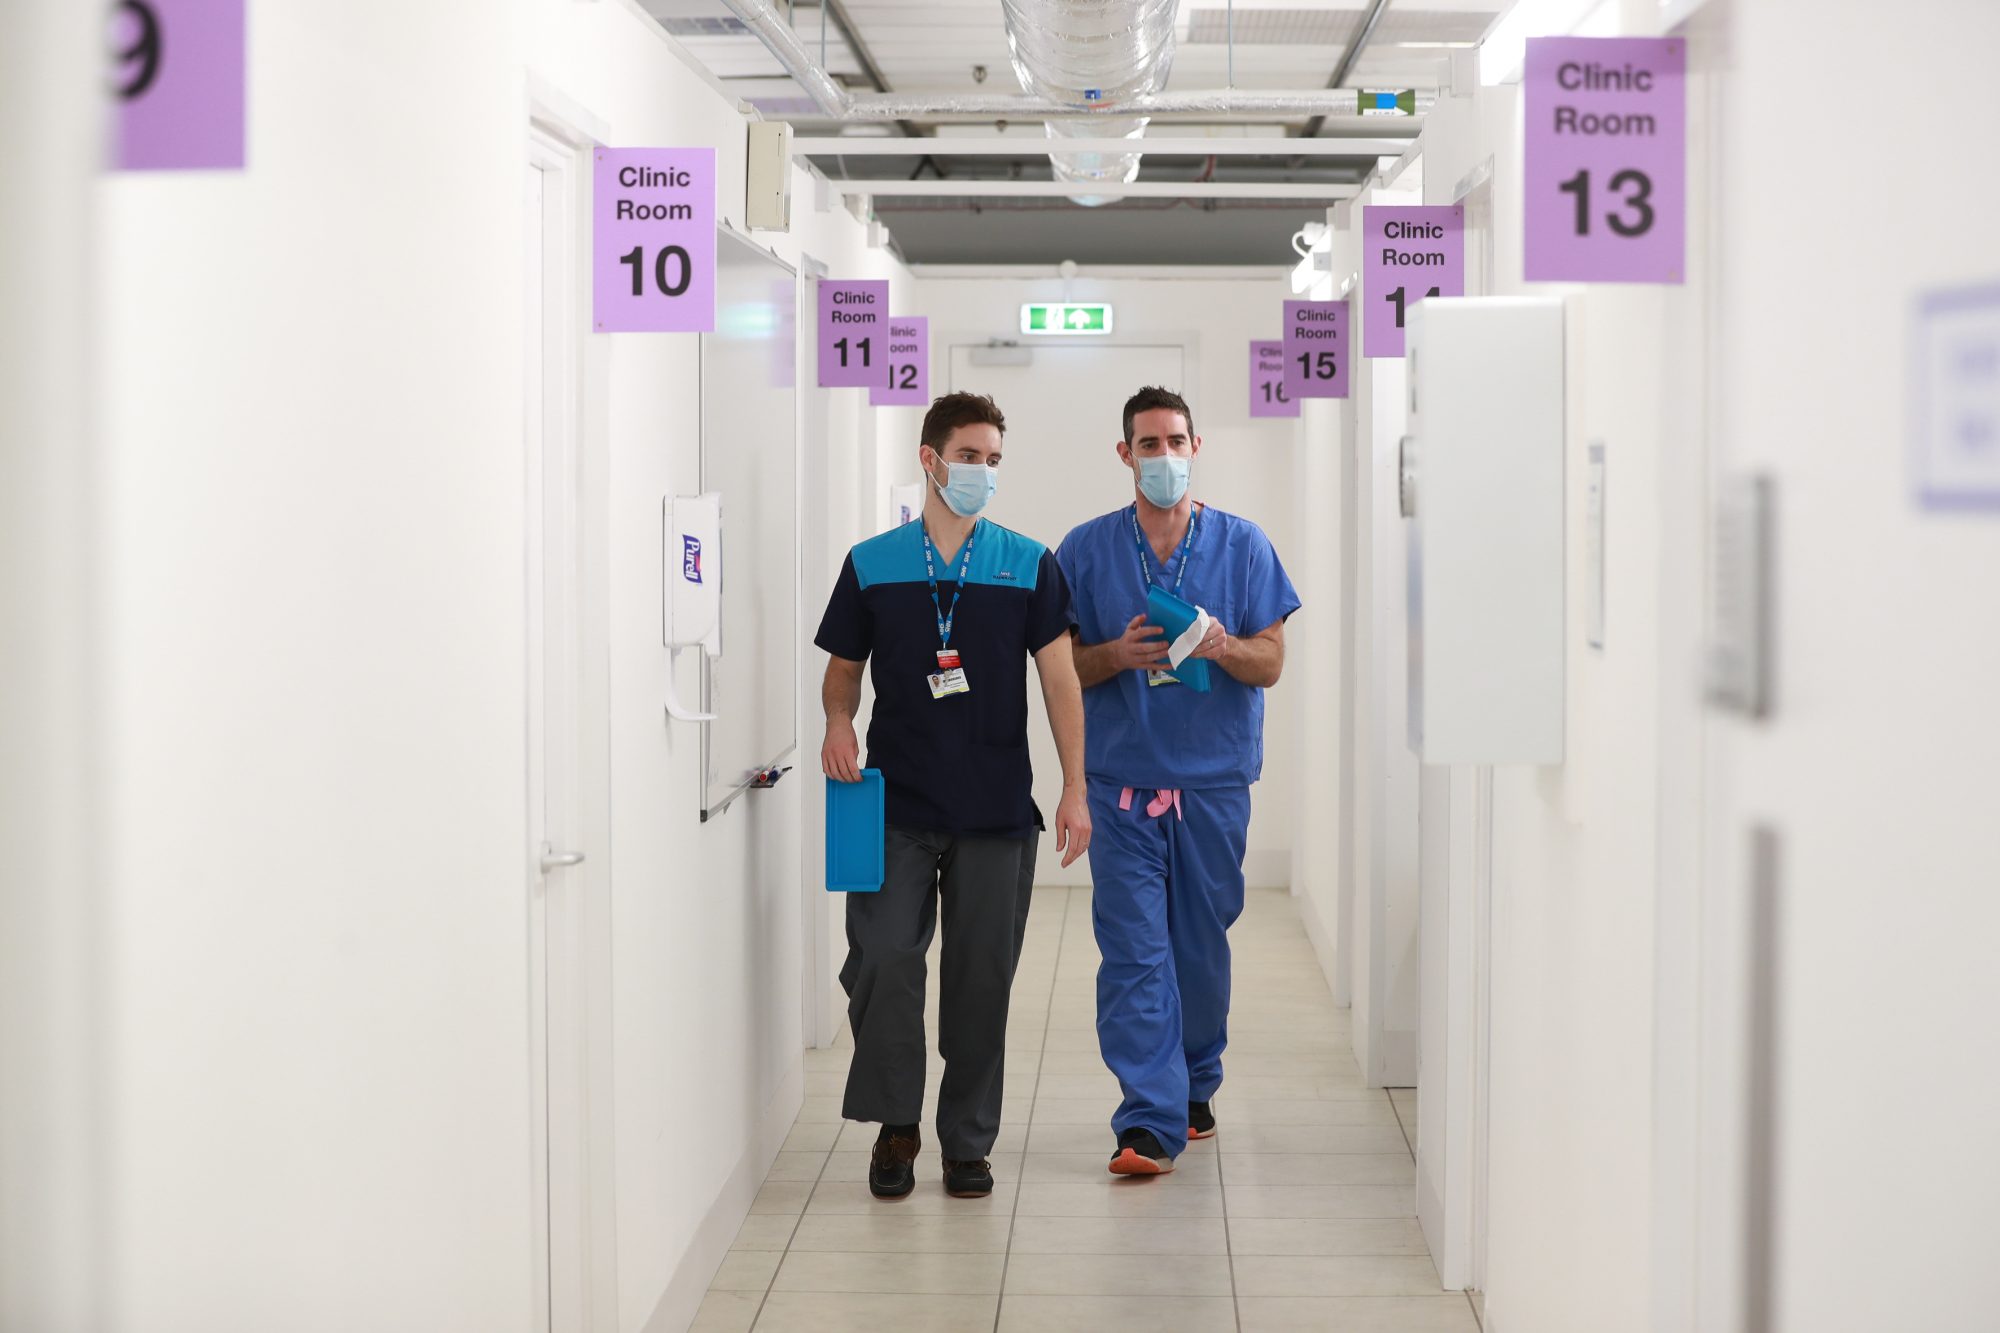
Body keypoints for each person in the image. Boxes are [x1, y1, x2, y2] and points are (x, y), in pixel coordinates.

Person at [815, 391, 1091, 1201]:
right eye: (969, 457)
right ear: (929, 459)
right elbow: (842, 671)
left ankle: (967, 1141)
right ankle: (897, 1122)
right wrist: (838, 721)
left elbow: (1061, 680)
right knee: (885, 960)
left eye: (993, 460)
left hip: (995, 810)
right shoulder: (873, 563)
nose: (982, 472)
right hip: (895, 806)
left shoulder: (1029, 563)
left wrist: (1075, 786)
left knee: (981, 981)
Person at [1055, 385, 1301, 1176]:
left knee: (1197, 947)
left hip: (1212, 783)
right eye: (1148, 444)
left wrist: (1224, 646)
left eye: (1175, 441)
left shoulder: (1244, 546)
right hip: (1121, 785)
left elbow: (1271, 662)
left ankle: (1195, 1081)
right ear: (1124, 454)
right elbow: (1062, 668)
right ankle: (1147, 1120)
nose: (1164, 456)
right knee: (1133, 951)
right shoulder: (1085, 550)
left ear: (1197, 447)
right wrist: (1114, 656)